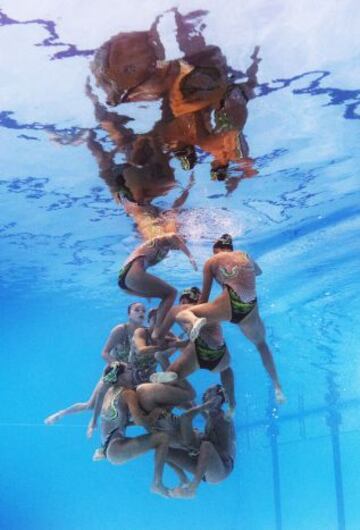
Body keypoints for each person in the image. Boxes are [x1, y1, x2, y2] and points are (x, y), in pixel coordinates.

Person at [175, 234, 286, 404]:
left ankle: (194, 322)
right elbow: (259, 272)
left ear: (215, 249)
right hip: (249, 310)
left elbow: (203, 297)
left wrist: (204, 315)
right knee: (261, 345)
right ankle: (277, 386)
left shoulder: (212, 262)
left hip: (228, 303)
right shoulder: (244, 255)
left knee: (183, 314)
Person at [44, 302, 146, 427]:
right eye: (137, 310)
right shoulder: (120, 330)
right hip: (114, 370)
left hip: (132, 374)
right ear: (129, 314)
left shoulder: (144, 333)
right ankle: (62, 413)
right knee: (91, 405)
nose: (141, 312)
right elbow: (104, 353)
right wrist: (120, 365)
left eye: (143, 311)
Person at [150, 287, 236, 414]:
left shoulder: (177, 310)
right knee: (225, 368)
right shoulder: (209, 308)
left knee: (177, 369)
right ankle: (232, 402)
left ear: (183, 301)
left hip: (198, 352)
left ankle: (174, 375)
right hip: (216, 354)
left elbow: (157, 337)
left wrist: (163, 335)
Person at [95, 378, 171, 497]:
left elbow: (118, 422)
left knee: (159, 444)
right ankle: (157, 483)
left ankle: (177, 478)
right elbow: (142, 422)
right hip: (116, 449)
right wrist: (155, 412)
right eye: (129, 370)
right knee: (163, 438)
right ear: (122, 376)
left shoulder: (110, 392)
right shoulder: (127, 393)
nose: (133, 374)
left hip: (112, 447)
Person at [118, 233, 197, 339]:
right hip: (132, 273)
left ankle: (155, 325)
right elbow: (174, 237)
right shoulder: (164, 238)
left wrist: (144, 292)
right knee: (171, 293)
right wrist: (190, 256)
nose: (180, 246)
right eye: (183, 241)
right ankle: (157, 329)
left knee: (164, 296)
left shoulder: (164, 249)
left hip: (126, 281)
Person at [167, 384, 236, 498]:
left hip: (221, 469)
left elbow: (222, 448)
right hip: (206, 465)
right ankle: (184, 480)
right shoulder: (212, 416)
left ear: (218, 397)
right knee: (166, 450)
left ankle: (192, 488)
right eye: (205, 391)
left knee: (206, 445)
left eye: (209, 391)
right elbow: (195, 407)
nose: (204, 393)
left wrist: (195, 441)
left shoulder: (224, 418)